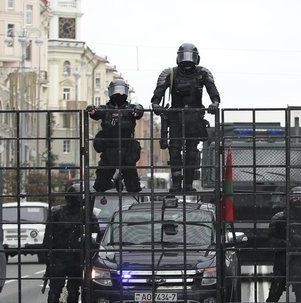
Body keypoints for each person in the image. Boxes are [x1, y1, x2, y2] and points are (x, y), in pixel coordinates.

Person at [151, 43, 221, 192]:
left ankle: (188, 184)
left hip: (194, 118)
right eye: (184, 57)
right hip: (176, 117)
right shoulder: (170, 73)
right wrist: (155, 104)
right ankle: (176, 183)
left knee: (192, 152)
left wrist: (215, 103)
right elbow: (159, 91)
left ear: (197, 59)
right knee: (174, 150)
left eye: (190, 57)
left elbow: (212, 89)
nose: (187, 61)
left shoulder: (203, 73)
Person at [41, 182, 99, 303]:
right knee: (54, 293)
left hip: (76, 258)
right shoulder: (57, 213)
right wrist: (48, 260)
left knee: (74, 293)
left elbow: (95, 237)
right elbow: (48, 239)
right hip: (59, 258)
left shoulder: (87, 215)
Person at [88, 78, 144, 193]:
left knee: (133, 187)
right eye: (116, 91)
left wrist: (138, 110)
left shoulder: (130, 109)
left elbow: (139, 112)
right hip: (109, 150)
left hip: (126, 150)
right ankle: (113, 183)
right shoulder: (105, 109)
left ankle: (132, 204)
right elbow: (96, 113)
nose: (119, 94)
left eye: (121, 91)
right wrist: (92, 110)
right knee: (100, 185)